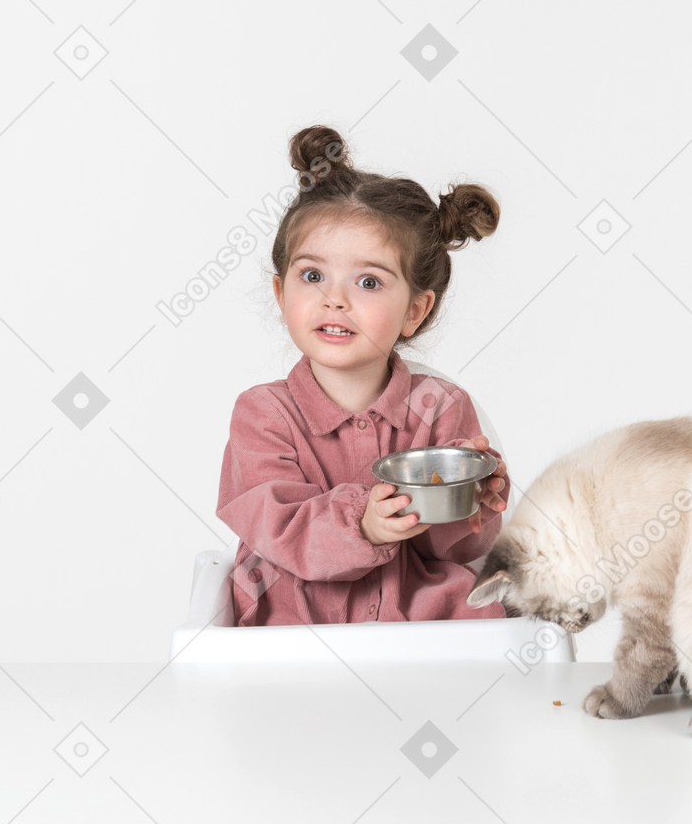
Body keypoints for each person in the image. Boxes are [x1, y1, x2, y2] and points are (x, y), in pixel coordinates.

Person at [215, 125, 509, 625]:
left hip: (410, 599)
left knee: (481, 611)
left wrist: (471, 500)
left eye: (368, 282)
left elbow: (452, 553)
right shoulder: (262, 413)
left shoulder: (439, 405)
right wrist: (361, 524)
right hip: (294, 603)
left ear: (415, 310)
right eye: (312, 276)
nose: (335, 299)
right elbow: (276, 522)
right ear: (281, 292)